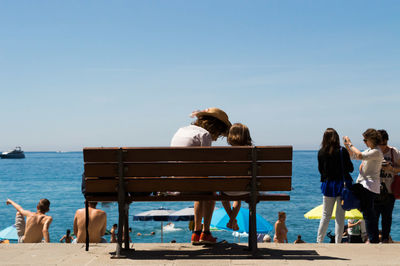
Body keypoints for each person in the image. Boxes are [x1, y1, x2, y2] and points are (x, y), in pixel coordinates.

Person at [171, 107, 231, 245]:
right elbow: (206, 168)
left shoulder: (181, 130)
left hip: (175, 184)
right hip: (192, 184)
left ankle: (197, 233)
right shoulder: (205, 135)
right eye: (219, 134)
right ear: (215, 127)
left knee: (202, 188)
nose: (216, 138)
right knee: (210, 190)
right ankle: (206, 233)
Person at [343, 128, 384, 243]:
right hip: (365, 185)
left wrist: (350, 144)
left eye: (365, 140)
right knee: (368, 213)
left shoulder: (376, 151)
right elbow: (354, 156)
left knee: (368, 214)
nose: (364, 142)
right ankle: (373, 239)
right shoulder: (370, 150)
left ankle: (373, 239)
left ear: (372, 139)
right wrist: (347, 146)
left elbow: (359, 155)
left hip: (369, 185)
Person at [317, 128, 354, 243]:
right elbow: (351, 169)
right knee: (340, 215)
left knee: (325, 215)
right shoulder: (342, 151)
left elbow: (321, 171)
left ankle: (319, 240)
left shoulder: (321, 152)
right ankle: (338, 242)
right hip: (342, 186)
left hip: (328, 185)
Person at [222, 123, 253, 231]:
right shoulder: (252, 152)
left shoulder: (226, 153)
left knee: (224, 197)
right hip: (247, 189)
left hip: (228, 190)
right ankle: (232, 221)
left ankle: (232, 220)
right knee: (238, 197)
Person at [374, 130, 400, 243]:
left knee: (387, 218)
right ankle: (373, 239)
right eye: (380, 144)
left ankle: (385, 238)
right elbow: (362, 169)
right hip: (374, 190)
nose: (382, 147)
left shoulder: (394, 152)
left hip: (389, 190)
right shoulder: (373, 152)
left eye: (384, 144)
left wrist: (391, 169)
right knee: (373, 217)